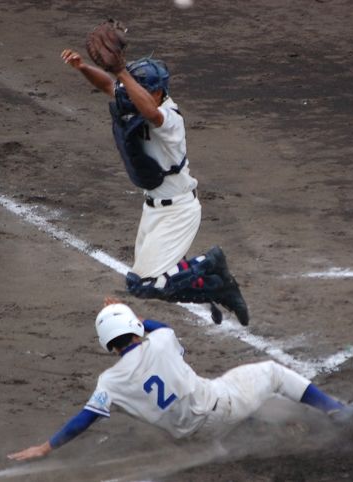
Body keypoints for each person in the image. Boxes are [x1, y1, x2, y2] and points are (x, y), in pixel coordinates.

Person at [8, 300, 353, 461]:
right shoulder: (162, 339)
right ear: (135, 327)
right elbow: (153, 326)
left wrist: (47, 447)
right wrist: (132, 312)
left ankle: (237, 440)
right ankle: (336, 412)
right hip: (221, 408)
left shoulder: (109, 382)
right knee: (271, 373)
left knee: (184, 410)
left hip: (192, 439)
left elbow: (83, 420)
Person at [60, 40, 249, 326]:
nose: (130, 93)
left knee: (146, 285)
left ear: (158, 92)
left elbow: (150, 113)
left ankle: (210, 265)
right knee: (145, 282)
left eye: (139, 88)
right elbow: (109, 87)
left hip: (179, 210)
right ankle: (215, 284)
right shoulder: (140, 99)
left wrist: (122, 71)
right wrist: (83, 67)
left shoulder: (169, 117)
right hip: (153, 210)